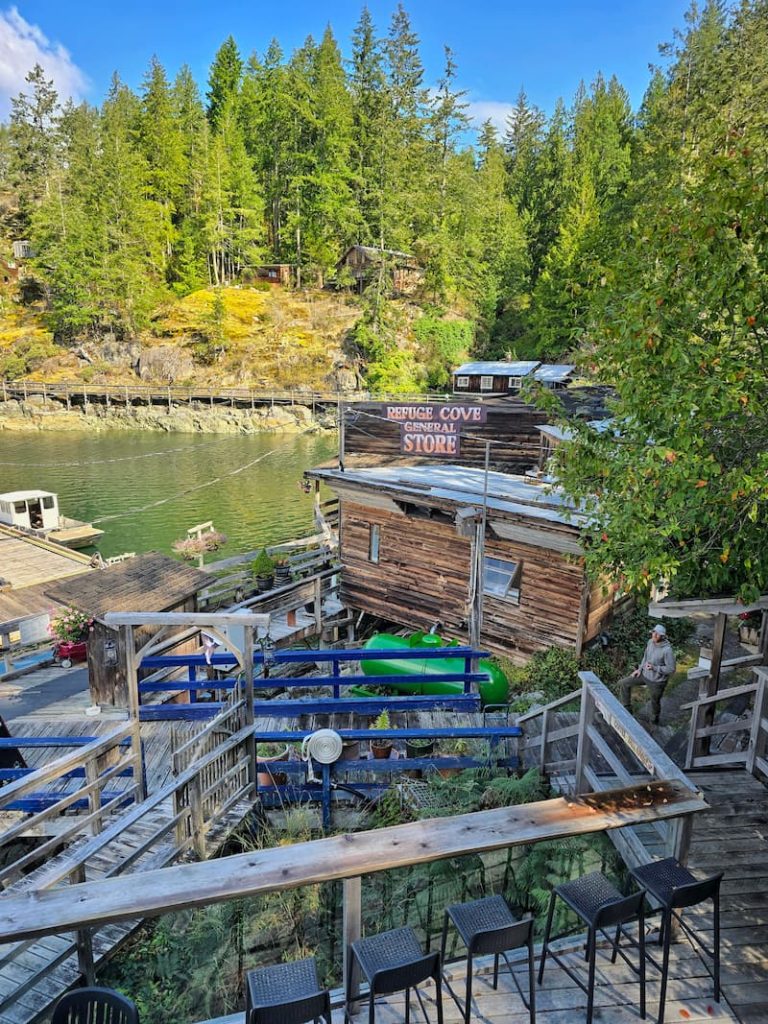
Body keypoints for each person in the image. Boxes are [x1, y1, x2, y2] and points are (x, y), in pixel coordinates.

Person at [619, 623, 676, 725]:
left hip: (657, 682)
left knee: (654, 702)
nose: (654, 635)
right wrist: (639, 670)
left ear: (663, 636)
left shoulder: (667, 650)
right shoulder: (650, 642)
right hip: (644, 675)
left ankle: (654, 721)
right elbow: (645, 657)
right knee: (624, 683)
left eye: (657, 634)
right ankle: (627, 709)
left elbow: (671, 669)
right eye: (653, 632)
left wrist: (654, 668)